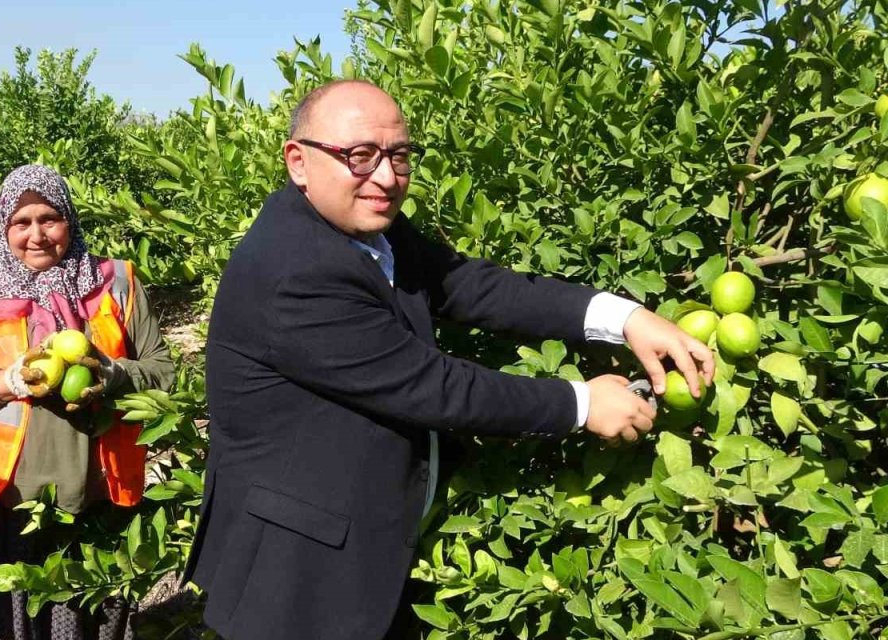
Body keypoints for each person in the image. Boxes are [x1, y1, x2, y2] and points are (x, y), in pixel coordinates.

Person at [182, 80, 716, 640]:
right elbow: (432, 387)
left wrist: (623, 317)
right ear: (299, 162)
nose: (386, 178)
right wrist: (581, 403)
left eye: (399, 156)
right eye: (359, 156)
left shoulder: (356, 228)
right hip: (300, 577)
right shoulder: (293, 272)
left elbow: (469, 285)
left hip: (356, 548)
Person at [0, 164, 174, 640]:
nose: (37, 235)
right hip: (5, 502)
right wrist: (7, 382)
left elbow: (163, 369)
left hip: (97, 494)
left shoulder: (116, 281)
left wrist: (113, 374)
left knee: (84, 621)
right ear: (4, 228)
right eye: (22, 222)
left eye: (50, 218)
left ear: (71, 221)